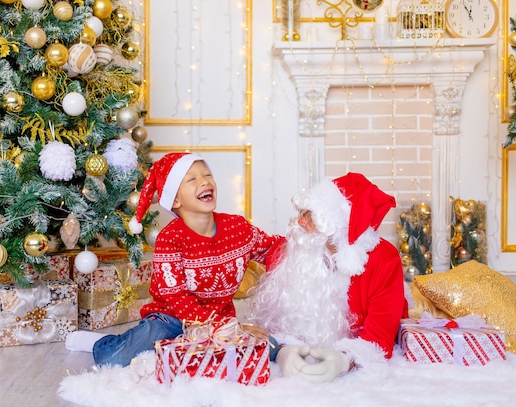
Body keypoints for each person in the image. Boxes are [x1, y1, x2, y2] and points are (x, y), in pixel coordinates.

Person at [65, 152, 284, 366]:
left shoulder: (237, 228)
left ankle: (184, 348)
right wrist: (220, 328)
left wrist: (307, 240)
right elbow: (176, 296)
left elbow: (274, 247)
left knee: (270, 348)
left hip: (221, 318)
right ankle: (104, 342)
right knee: (114, 358)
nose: (204, 182)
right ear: (175, 199)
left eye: (207, 175)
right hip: (171, 320)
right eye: (192, 179)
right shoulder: (170, 239)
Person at [250, 172, 408, 383]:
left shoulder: (383, 259)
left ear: (338, 226)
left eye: (311, 216)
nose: (300, 221)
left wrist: (345, 360)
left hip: (354, 374)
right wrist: (282, 350)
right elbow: (273, 324)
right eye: (302, 213)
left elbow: (380, 335)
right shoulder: (289, 252)